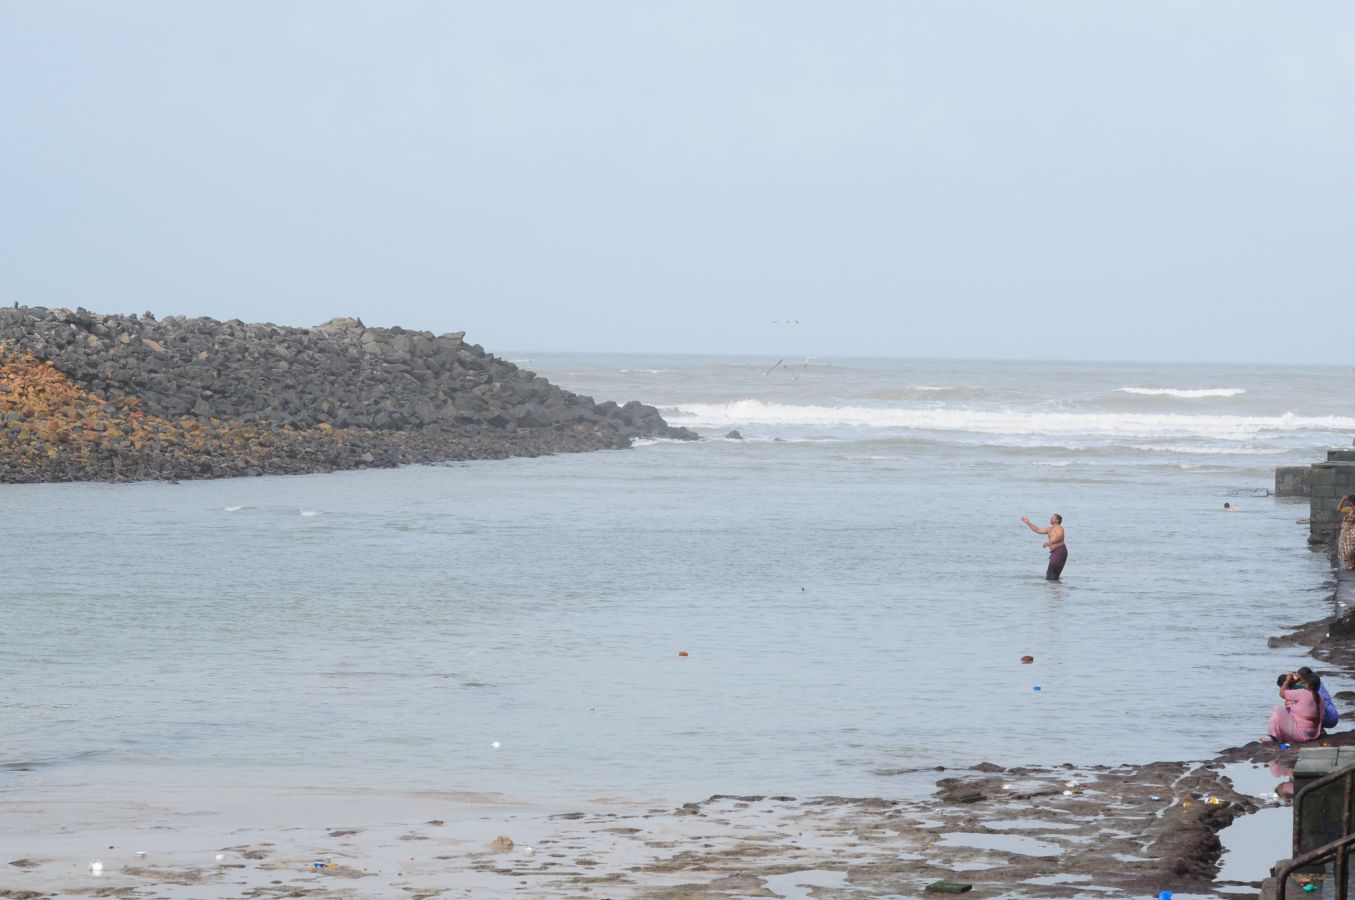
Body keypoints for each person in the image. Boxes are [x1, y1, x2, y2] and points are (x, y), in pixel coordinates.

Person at [1265, 671, 1324, 744]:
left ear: (1308, 684)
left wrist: (1287, 680)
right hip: (1314, 734)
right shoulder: (1321, 698)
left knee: (1277, 709)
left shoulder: (1303, 693)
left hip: (1302, 735)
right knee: (1289, 709)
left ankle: (1272, 737)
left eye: (1305, 682)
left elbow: (1282, 693)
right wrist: (1292, 706)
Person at [1021, 514, 1067, 581]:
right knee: (1052, 575)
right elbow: (1038, 530)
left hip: (1060, 551)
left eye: (1053, 517)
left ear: (1057, 520)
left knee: (1051, 575)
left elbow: (1059, 537)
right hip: (1055, 552)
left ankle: (1053, 590)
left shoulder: (1059, 528)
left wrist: (1048, 543)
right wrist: (1028, 523)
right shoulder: (1050, 529)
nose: (1051, 518)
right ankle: (1056, 590)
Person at [1339, 495, 1355, 572]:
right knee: (1348, 548)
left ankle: (1350, 564)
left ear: (1351, 502)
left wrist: (1342, 499)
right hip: (1346, 531)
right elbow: (1339, 509)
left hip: (1350, 531)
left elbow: (1338, 509)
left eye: (1349, 502)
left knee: (1348, 548)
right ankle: (1350, 564)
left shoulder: (1350, 509)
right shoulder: (1349, 509)